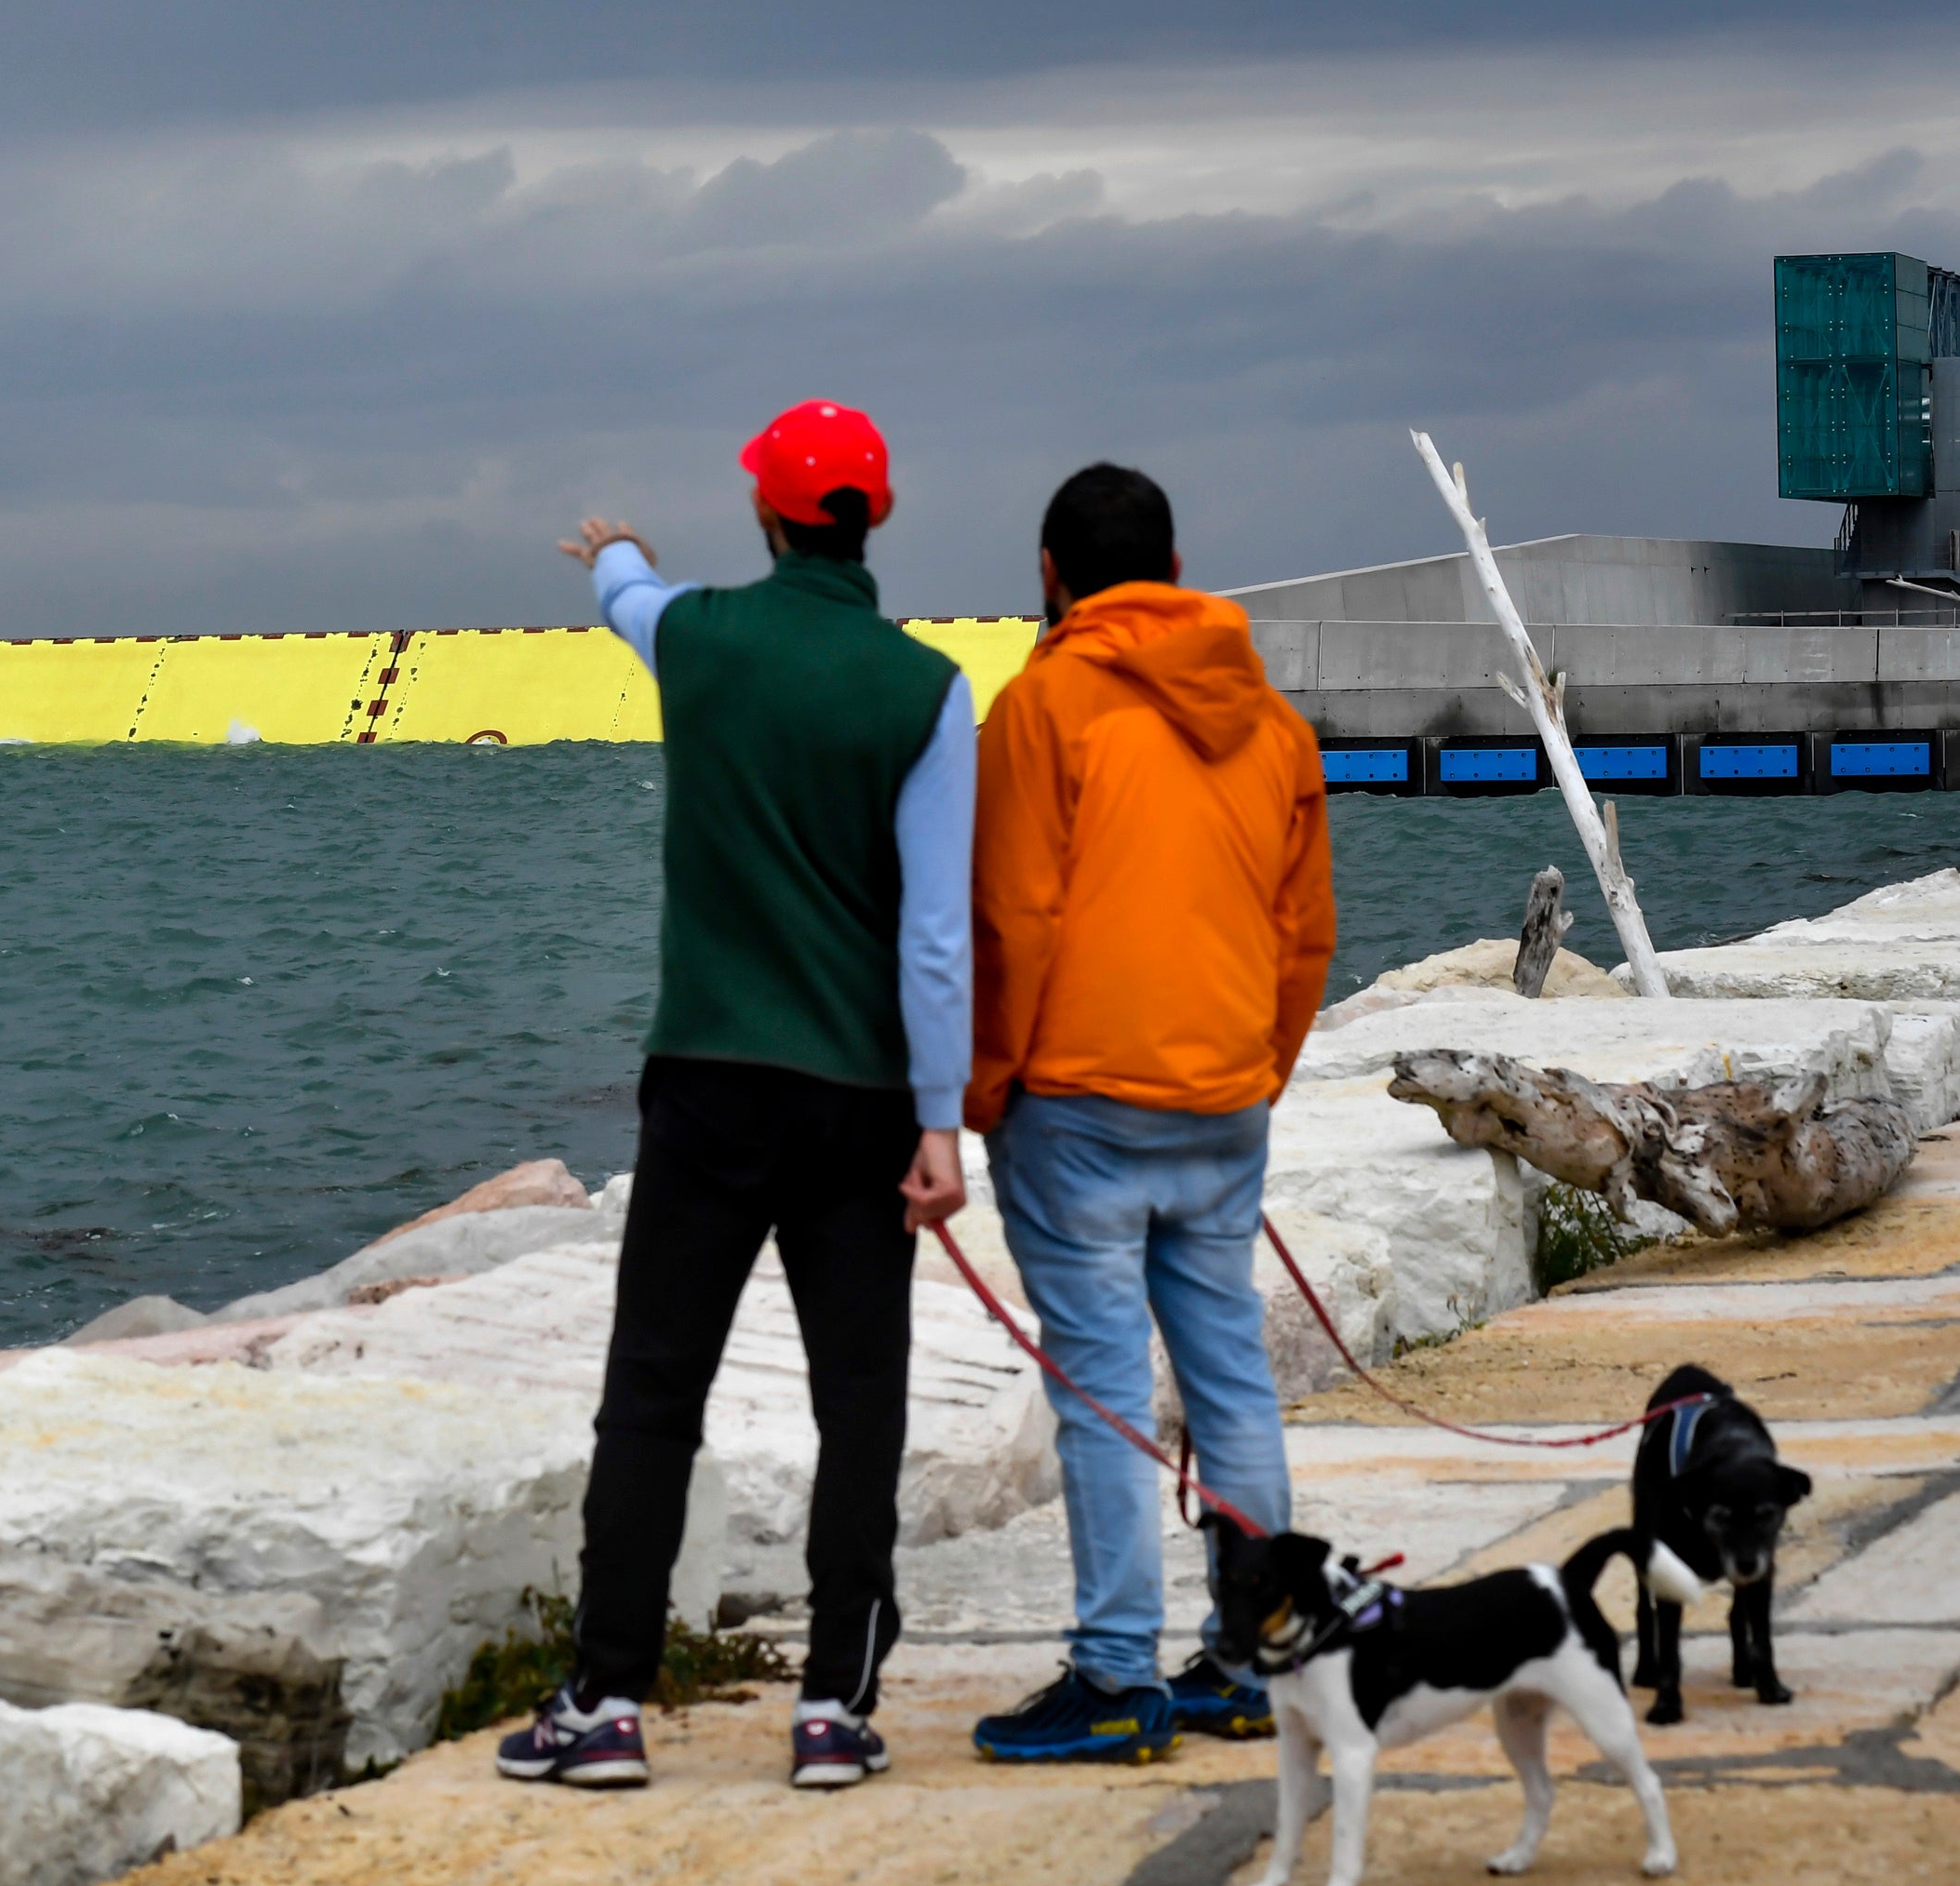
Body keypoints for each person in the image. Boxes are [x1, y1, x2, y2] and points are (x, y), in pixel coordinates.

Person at [497, 399, 973, 1793]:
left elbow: (631, 600)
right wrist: (939, 1119)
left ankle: (606, 1700)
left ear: (768, 515)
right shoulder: (926, 690)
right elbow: (936, 931)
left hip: (705, 1081)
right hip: (859, 1098)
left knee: (652, 1393)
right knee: (860, 1401)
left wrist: (617, 550)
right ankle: (835, 1705)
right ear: (873, 519)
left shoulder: (698, 640)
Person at [964, 462, 1335, 1765]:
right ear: (1174, 571)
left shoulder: (1042, 704)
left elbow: (1013, 916)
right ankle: (1252, 1656)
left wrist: (984, 1085)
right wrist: (1257, 1067)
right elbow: (1305, 933)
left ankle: (1116, 1673)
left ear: (1054, 573)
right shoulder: (1272, 720)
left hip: (1080, 1104)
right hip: (1225, 1098)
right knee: (1231, 1376)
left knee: (1106, 1391)